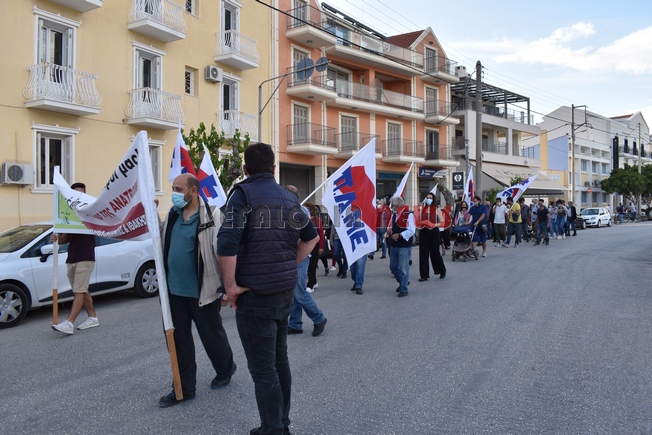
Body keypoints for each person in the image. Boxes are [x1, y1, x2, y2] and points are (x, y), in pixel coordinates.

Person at [217, 143, 319, 435]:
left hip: (255, 294)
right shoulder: (290, 198)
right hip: (283, 291)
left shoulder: (242, 194)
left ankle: (273, 429)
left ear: (245, 169)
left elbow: (227, 242)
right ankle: (281, 424)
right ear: (274, 168)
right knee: (279, 360)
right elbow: (311, 238)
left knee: (264, 369)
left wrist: (230, 287)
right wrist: (288, 263)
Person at [157, 174, 236, 408]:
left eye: (178, 189)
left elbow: (222, 250)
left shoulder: (211, 214)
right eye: (173, 188)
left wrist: (227, 285)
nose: (174, 193)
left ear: (193, 191)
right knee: (178, 340)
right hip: (173, 292)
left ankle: (225, 369)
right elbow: (161, 240)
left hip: (203, 291)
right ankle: (183, 389)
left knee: (212, 337)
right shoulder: (173, 214)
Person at [51, 182, 98, 335]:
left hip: (86, 257)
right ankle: (92, 318)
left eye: (81, 193)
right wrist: (57, 238)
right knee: (82, 290)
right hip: (72, 258)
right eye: (75, 193)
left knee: (79, 291)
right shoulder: (69, 214)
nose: (78, 196)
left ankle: (69, 323)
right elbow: (65, 238)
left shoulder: (90, 212)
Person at [285, 186, 328, 336]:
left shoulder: (300, 211)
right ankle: (295, 323)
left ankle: (319, 318)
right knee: (294, 292)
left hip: (300, 256)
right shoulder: (295, 210)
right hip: (293, 255)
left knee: (299, 291)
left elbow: (309, 235)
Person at [387, 196, 415, 297]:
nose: (392, 208)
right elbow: (392, 225)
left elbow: (411, 230)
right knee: (393, 266)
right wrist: (390, 229)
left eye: (392, 205)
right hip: (394, 244)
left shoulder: (409, 214)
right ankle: (403, 281)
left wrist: (399, 235)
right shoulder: (394, 215)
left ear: (398, 205)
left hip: (404, 245)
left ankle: (404, 288)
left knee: (403, 268)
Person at [415, 193, 446, 281]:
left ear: (433, 199)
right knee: (423, 254)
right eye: (427, 197)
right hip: (424, 232)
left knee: (435, 253)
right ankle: (424, 275)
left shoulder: (436, 210)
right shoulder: (422, 209)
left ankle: (442, 270)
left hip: (434, 232)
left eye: (430, 198)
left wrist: (433, 224)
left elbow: (442, 223)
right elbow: (417, 221)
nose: (429, 199)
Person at [304, 201, 324, 293]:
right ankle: (314, 282)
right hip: (305, 245)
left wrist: (321, 247)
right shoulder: (303, 219)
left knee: (312, 265)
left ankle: (310, 285)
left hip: (315, 245)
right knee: (308, 265)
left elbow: (321, 234)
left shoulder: (317, 220)